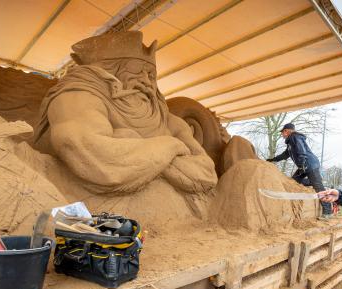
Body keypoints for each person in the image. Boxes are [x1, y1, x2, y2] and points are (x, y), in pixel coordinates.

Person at [33, 31, 217, 194]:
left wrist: (137, 151)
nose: (146, 81)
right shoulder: (77, 98)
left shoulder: (169, 121)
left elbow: (207, 172)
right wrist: (172, 147)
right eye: (136, 71)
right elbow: (94, 158)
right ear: (108, 71)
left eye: (151, 75)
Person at [266, 123, 332, 217]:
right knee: (293, 181)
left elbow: (301, 151)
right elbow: (285, 155)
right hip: (303, 166)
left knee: (319, 188)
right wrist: (273, 160)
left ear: (287, 131)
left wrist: (302, 163)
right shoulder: (290, 143)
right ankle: (314, 181)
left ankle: (328, 211)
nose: (282, 135)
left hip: (310, 164)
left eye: (282, 133)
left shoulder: (295, 137)